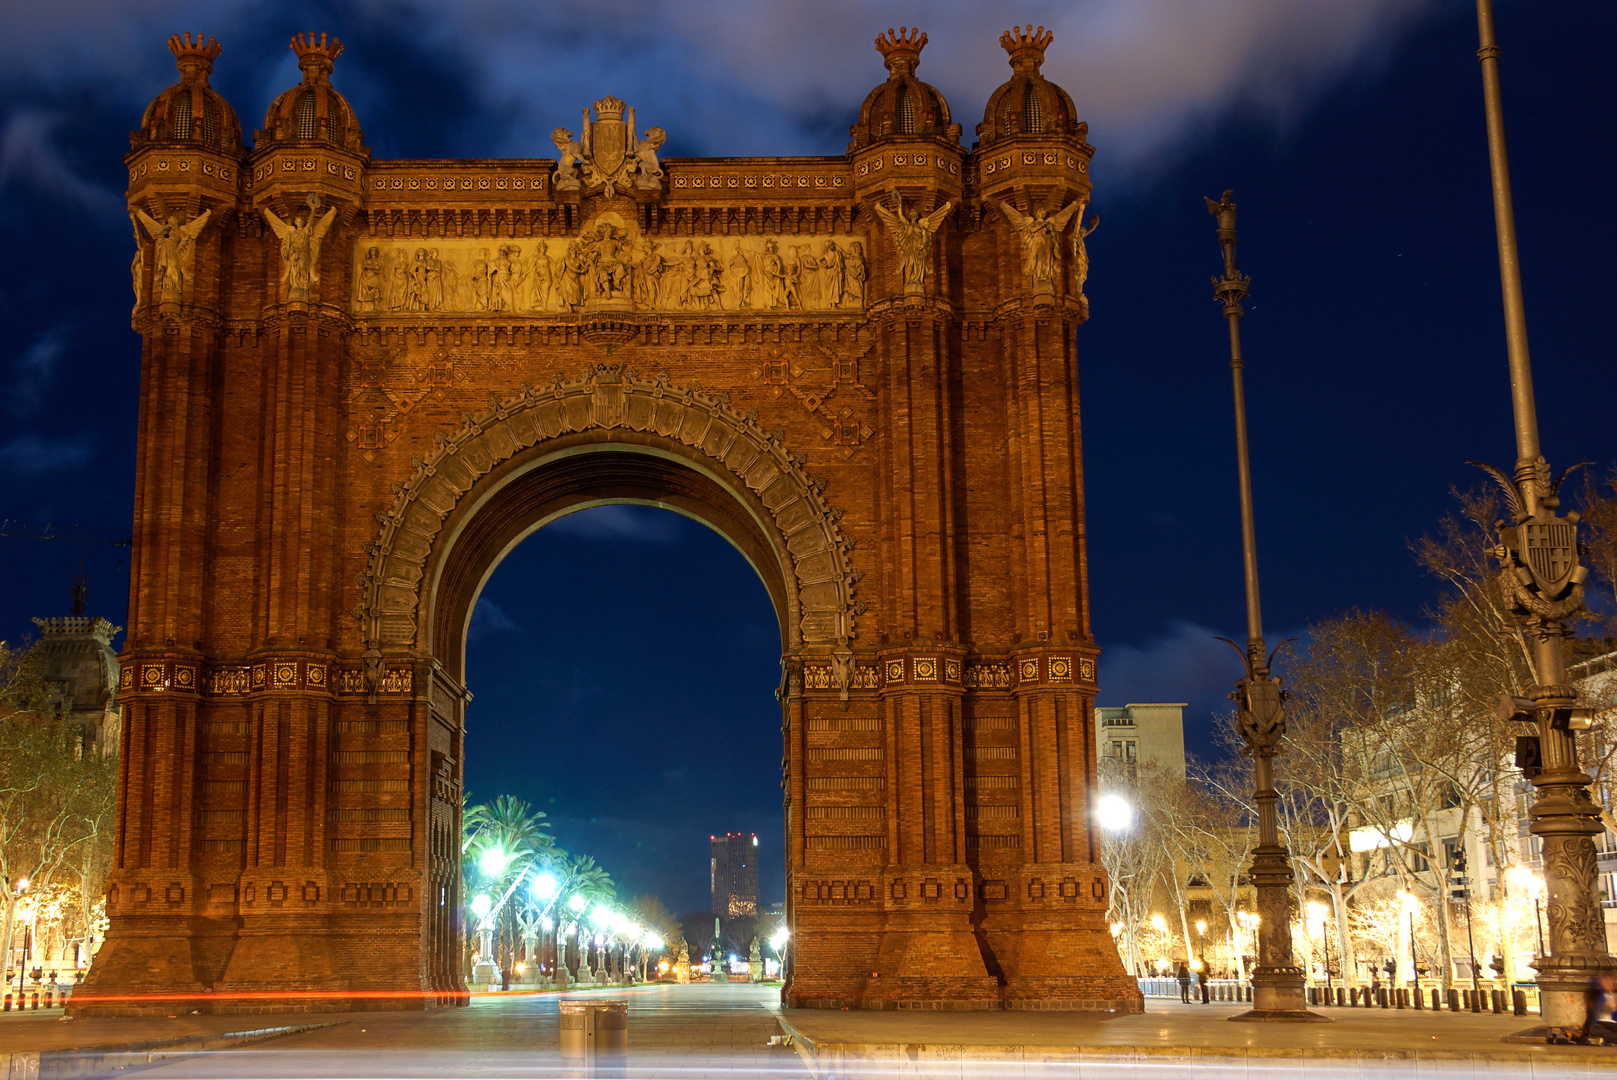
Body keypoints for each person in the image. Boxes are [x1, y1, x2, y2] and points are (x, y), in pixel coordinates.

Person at [1583, 974, 1617, 1044]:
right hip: (1600, 1024)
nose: (1608, 984)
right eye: (1606, 982)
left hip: (1614, 1024)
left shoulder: (1615, 995)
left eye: (1610, 982)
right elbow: (1592, 981)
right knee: (1595, 1029)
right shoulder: (1597, 994)